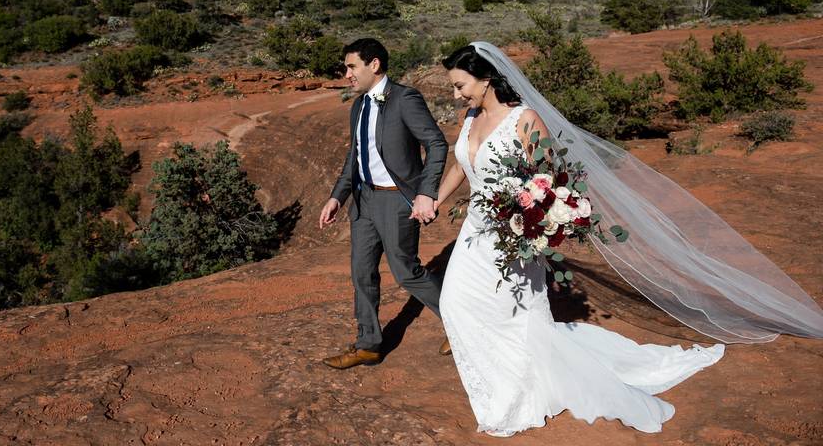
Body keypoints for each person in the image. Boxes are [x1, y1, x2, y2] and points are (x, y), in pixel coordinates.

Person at [434, 43, 823, 436]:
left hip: (516, 234)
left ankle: (520, 390)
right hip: (475, 232)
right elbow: (463, 164)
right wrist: (434, 198)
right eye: (454, 87)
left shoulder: (525, 119)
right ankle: (507, 380)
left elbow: (547, 180)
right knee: (456, 302)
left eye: (460, 85)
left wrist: (535, 218)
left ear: (487, 79)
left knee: (514, 313)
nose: (456, 95)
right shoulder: (471, 117)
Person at [319, 38, 450, 369]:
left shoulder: (405, 99)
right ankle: (368, 343)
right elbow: (355, 155)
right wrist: (337, 196)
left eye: (351, 66)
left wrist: (426, 191)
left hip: (395, 201)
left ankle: (461, 324)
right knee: (361, 272)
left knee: (406, 271)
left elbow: (436, 143)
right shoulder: (359, 105)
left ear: (373, 65)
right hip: (363, 201)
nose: (346, 73)